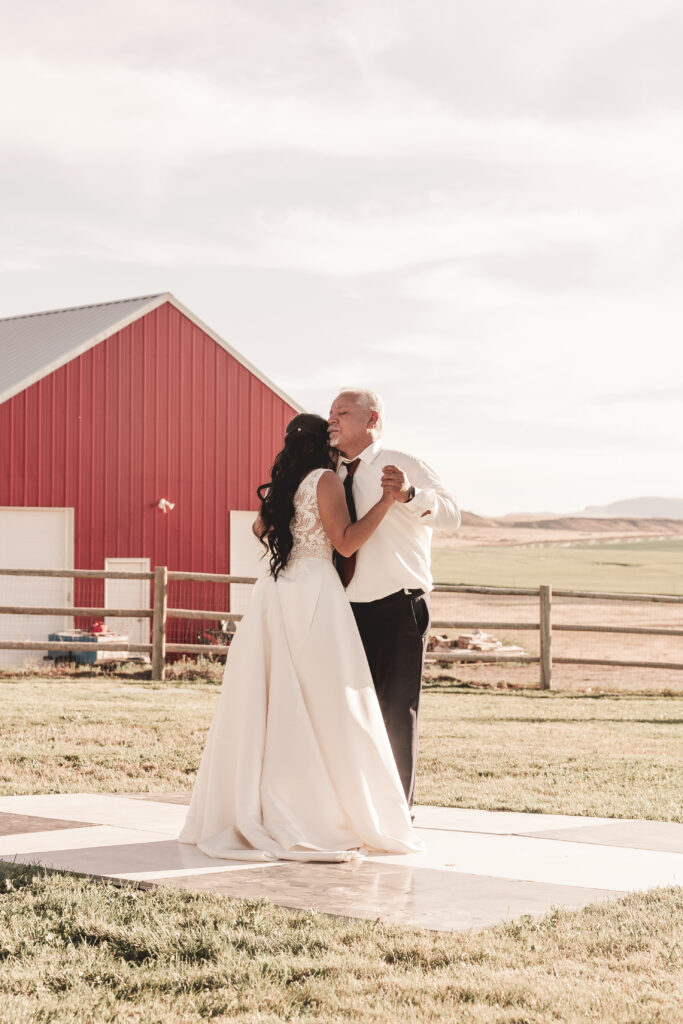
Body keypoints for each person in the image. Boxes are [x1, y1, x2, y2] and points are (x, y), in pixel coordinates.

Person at [178, 413, 422, 862]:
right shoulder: (324, 480)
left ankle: (268, 805)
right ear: (321, 443)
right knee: (326, 703)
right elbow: (346, 543)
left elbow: (260, 529)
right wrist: (386, 503)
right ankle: (318, 810)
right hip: (314, 592)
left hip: (276, 593)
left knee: (273, 702)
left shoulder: (284, 486)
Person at [328, 389, 460, 808]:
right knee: (344, 714)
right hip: (342, 609)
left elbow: (453, 516)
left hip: (397, 607)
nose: (332, 420)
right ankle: (354, 809)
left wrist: (408, 496)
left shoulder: (405, 464)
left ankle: (396, 815)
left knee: (395, 716)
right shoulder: (325, 473)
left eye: (342, 413)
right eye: (330, 413)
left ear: (372, 418)